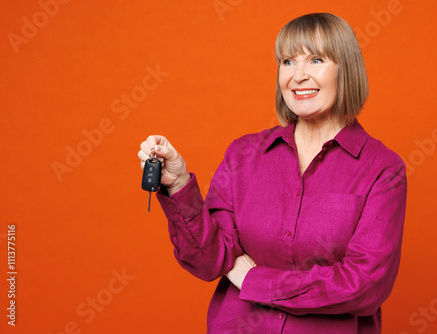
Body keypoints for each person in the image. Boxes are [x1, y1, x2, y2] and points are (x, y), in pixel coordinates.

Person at [138, 12, 407, 334]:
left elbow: (363, 286)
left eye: (316, 60)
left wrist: (253, 279)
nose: (298, 76)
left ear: (346, 69)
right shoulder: (244, 155)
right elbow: (208, 260)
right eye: (287, 62)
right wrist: (180, 185)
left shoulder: (383, 169)